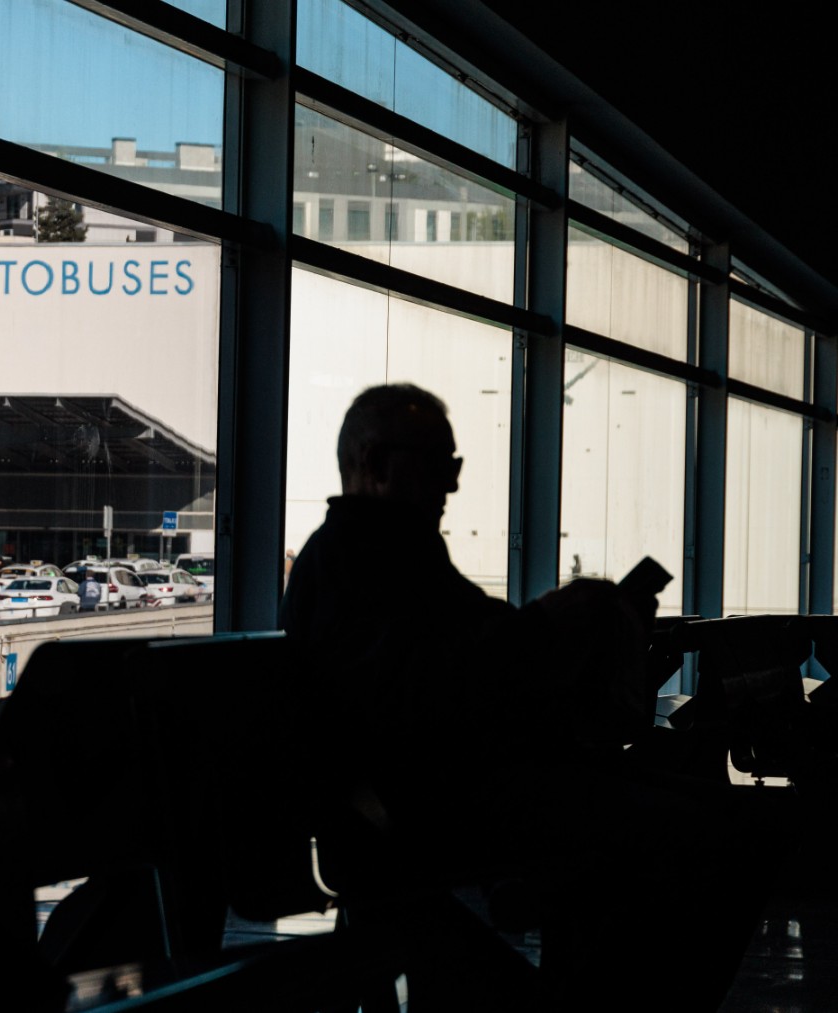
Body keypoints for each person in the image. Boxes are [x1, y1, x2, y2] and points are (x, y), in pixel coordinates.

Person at [281, 382, 783, 1010]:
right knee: (728, 838)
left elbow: (463, 667)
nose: (452, 487)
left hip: (429, 800)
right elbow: (462, 678)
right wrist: (573, 618)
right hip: (437, 810)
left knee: (709, 828)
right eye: (441, 466)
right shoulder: (374, 558)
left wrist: (562, 626)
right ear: (378, 464)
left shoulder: (365, 556)